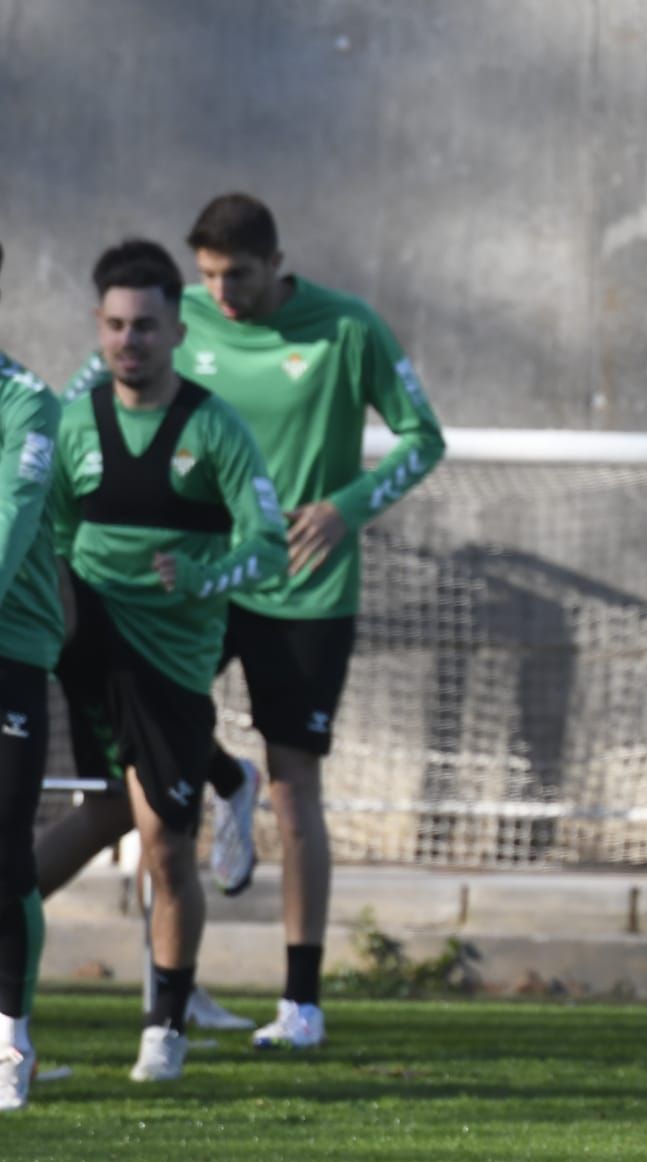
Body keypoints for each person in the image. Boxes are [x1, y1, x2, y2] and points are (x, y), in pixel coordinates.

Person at [65, 194, 444, 1050]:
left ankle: (300, 1002)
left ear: (277, 264)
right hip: (196, 587)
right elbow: (88, 401)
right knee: (152, 771)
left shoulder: (347, 329)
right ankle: (179, 987)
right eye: (206, 274)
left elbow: (424, 438)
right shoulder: (172, 318)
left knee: (293, 783)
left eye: (236, 273)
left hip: (303, 587)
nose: (220, 292)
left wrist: (347, 506)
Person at [35, 240, 286, 1083]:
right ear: (98, 331)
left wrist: (204, 577)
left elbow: (271, 548)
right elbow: (53, 532)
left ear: (178, 329)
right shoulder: (75, 423)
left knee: (162, 844)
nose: (128, 341)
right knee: (112, 814)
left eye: (145, 325)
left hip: (172, 663)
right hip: (90, 651)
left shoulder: (213, 428)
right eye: (113, 326)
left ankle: (165, 1029)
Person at [0, 240, 65, 1110]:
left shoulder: (27, 402)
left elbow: (12, 529)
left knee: (3, 843)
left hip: (10, 653)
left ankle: (10, 1039)